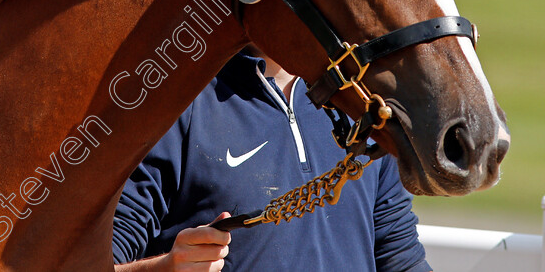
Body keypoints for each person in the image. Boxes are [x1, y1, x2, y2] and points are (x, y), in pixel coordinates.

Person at [112, 50, 431, 271]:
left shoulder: (363, 102)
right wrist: (163, 269)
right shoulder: (174, 104)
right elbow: (94, 261)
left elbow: (400, 256)